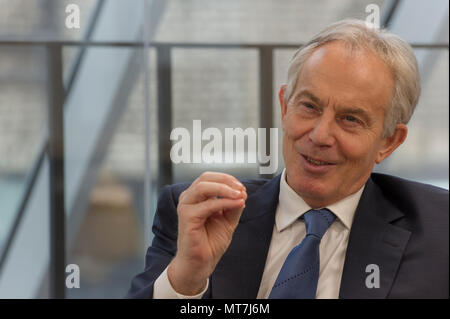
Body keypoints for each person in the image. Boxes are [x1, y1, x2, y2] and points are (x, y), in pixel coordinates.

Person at [127, 19, 448, 299]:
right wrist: (186, 278)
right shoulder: (199, 213)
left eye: (350, 119)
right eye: (309, 106)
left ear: (389, 142)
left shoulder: (438, 229)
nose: (320, 135)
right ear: (284, 106)